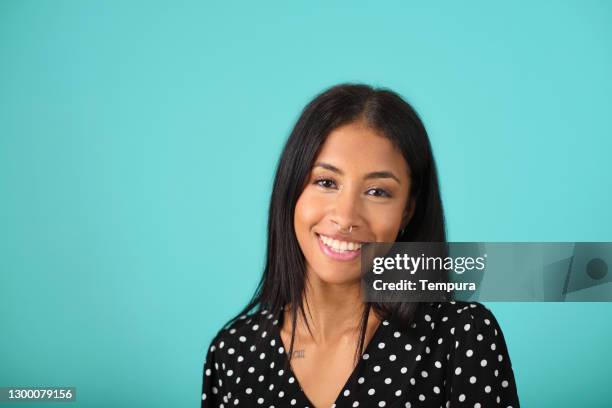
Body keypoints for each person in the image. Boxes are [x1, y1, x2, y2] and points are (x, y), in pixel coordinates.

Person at [201, 84, 520, 407]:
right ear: (291, 190)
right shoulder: (233, 353)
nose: (345, 217)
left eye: (378, 192)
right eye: (326, 182)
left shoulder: (461, 336)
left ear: (407, 209)